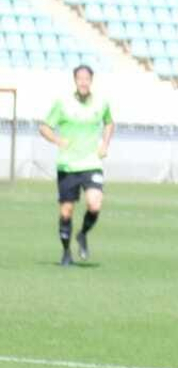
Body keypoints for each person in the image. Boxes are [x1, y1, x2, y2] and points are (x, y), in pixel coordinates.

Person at [39, 64, 113, 267]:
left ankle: (83, 234)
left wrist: (105, 144)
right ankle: (66, 253)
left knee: (95, 204)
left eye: (86, 78)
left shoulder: (101, 102)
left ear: (91, 80)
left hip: (91, 163)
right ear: (75, 80)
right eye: (79, 78)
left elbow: (109, 122)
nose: (83, 82)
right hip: (68, 165)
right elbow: (44, 127)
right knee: (66, 212)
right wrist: (57, 140)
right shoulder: (63, 103)